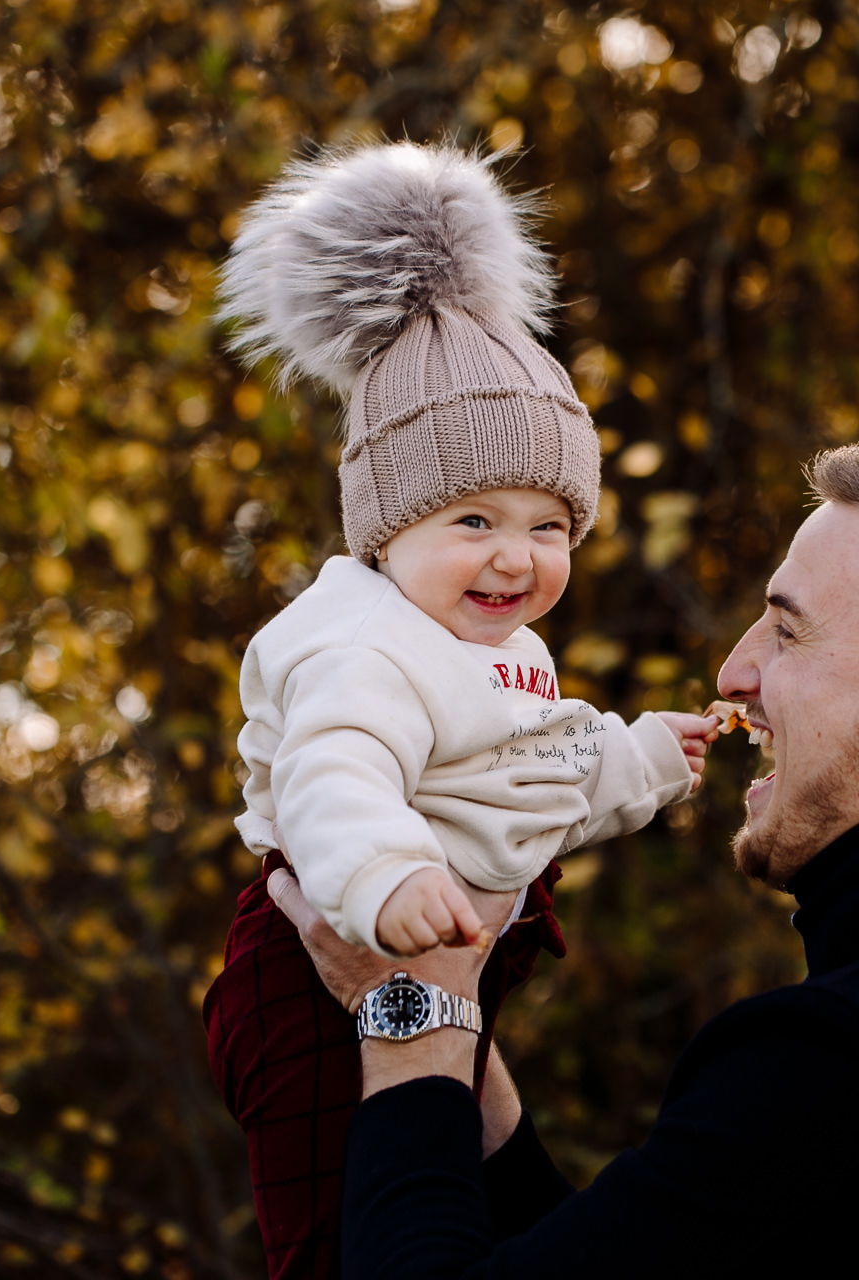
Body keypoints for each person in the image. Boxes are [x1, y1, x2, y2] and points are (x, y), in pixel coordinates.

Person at [261, 438, 859, 1277]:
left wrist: (405, 1010)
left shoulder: (838, 1063)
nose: (733, 671)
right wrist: (464, 1016)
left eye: (788, 634)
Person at [200, 142, 715, 1280]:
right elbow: (331, 772)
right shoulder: (360, 644)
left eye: (549, 525)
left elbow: (531, 774)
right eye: (473, 520)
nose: (516, 556)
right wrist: (385, 876)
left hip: (434, 963)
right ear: (386, 529)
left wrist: (639, 757)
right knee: (339, 1235)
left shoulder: (495, 649)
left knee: (465, 1213)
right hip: (318, 971)